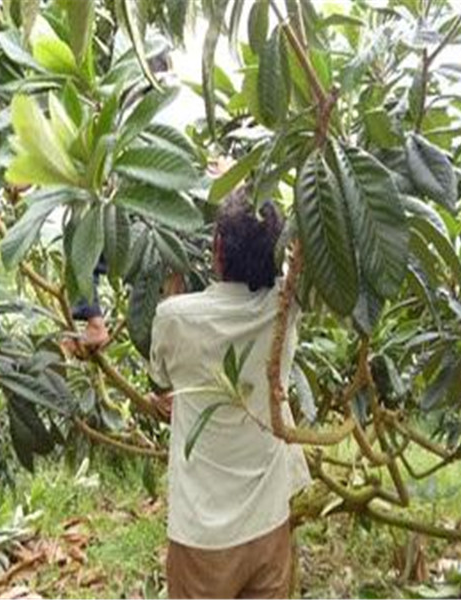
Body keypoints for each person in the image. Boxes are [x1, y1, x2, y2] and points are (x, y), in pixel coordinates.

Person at [148, 187, 312, 598]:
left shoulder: (175, 317)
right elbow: (308, 244)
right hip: (268, 520)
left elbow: (161, 384)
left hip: (203, 534)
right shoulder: (286, 306)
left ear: (217, 248)